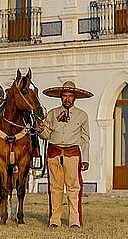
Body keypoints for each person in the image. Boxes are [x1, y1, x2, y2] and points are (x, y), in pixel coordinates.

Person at [36, 81, 93, 228]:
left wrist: (85, 159)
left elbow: (85, 139)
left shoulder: (82, 115)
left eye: (70, 96)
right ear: (61, 97)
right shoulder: (52, 113)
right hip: (54, 153)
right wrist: (41, 130)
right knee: (55, 188)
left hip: (72, 154)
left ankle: (74, 220)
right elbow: (47, 135)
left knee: (74, 188)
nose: (67, 99)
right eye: (65, 96)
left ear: (75, 97)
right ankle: (55, 220)